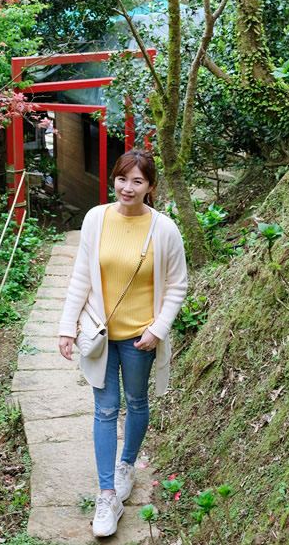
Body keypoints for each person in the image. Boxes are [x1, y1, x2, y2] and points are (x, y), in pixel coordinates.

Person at [58, 150, 187, 538]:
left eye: (137, 181)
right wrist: (67, 327)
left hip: (139, 338)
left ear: (150, 187)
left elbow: (178, 284)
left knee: (136, 402)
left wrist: (158, 329)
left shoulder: (164, 229)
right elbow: (81, 275)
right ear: (113, 179)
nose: (127, 188)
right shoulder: (96, 218)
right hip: (99, 334)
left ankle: (126, 465)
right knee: (104, 410)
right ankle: (107, 494)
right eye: (121, 178)